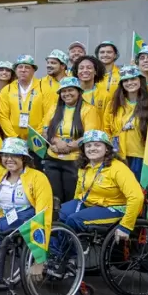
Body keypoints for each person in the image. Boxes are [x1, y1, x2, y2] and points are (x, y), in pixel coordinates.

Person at [0, 138, 54, 275]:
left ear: (23, 158)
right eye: (5, 155)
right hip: (0, 218)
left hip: (28, 220)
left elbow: (43, 216)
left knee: (13, 224)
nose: (9, 159)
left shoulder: (38, 178)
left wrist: (40, 259)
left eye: (14, 155)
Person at [58, 130, 143, 240]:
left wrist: (126, 226)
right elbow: (79, 191)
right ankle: (57, 250)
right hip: (90, 204)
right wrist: (73, 208)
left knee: (73, 220)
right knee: (59, 214)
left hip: (114, 208)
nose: (92, 148)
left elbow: (137, 197)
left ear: (106, 148)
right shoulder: (84, 166)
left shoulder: (118, 168)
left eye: (97, 145)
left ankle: (71, 250)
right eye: (88, 146)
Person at [41, 77, 102, 205]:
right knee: (54, 196)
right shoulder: (54, 108)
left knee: (71, 196)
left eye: (70, 90)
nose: (67, 94)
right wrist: (54, 142)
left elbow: (90, 135)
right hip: (53, 158)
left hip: (75, 160)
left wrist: (69, 147)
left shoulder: (88, 109)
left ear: (79, 92)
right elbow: (45, 130)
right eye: (63, 91)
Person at [104, 65, 148, 180]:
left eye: (133, 79)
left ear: (140, 80)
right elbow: (106, 129)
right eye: (125, 80)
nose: (129, 83)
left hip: (141, 156)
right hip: (119, 156)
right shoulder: (113, 105)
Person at [0, 55, 44, 141]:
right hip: (13, 139)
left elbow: (48, 114)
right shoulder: (7, 90)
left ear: (33, 70)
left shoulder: (43, 88)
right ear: (15, 70)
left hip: (37, 139)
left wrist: (36, 135)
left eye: (27, 67)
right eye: (20, 67)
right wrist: (14, 137)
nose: (23, 70)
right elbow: (3, 116)